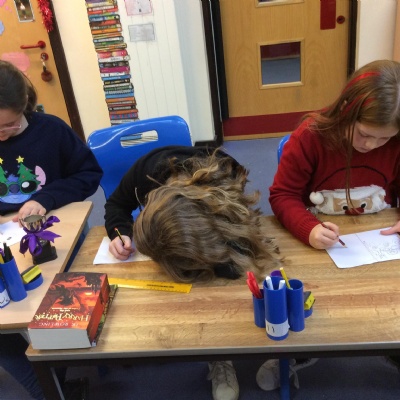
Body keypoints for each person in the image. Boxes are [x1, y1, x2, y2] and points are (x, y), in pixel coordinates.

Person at [258, 59, 400, 392]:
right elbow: (282, 195)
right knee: (310, 302)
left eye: (384, 139)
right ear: (347, 109)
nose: (370, 145)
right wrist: (307, 228)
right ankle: (296, 352)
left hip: (378, 242)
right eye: (364, 134)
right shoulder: (311, 137)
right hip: (321, 244)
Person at [104, 145, 282, 400]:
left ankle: (221, 353)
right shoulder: (144, 174)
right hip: (186, 232)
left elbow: (241, 238)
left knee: (230, 276)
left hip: (216, 222)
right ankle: (216, 356)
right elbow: (116, 205)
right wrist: (119, 232)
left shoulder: (227, 176)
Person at [0, 60, 102, 399]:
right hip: (7, 240)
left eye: (9, 125)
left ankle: (61, 371)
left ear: (24, 107)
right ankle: (49, 387)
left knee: (60, 303)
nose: (2, 134)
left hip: (57, 232)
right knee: (9, 319)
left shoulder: (51, 131)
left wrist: (45, 198)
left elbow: (88, 175)